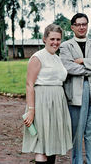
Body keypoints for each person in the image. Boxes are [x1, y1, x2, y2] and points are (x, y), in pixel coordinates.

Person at [60, 13, 91, 164]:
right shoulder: (65, 46)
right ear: (72, 27)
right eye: (78, 24)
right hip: (76, 93)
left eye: (84, 24)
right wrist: (90, 68)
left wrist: (83, 61)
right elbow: (67, 66)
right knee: (76, 133)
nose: (82, 27)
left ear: (87, 25)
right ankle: (77, 161)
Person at [22, 24, 72, 164]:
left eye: (58, 39)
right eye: (52, 39)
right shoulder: (37, 57)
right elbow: (29, 84)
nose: (55, 42)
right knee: (42, 146)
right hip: (42, 102)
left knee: (52, 143)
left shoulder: (57, 58)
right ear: (45, 39)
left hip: (57, 102)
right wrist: (31, 110)